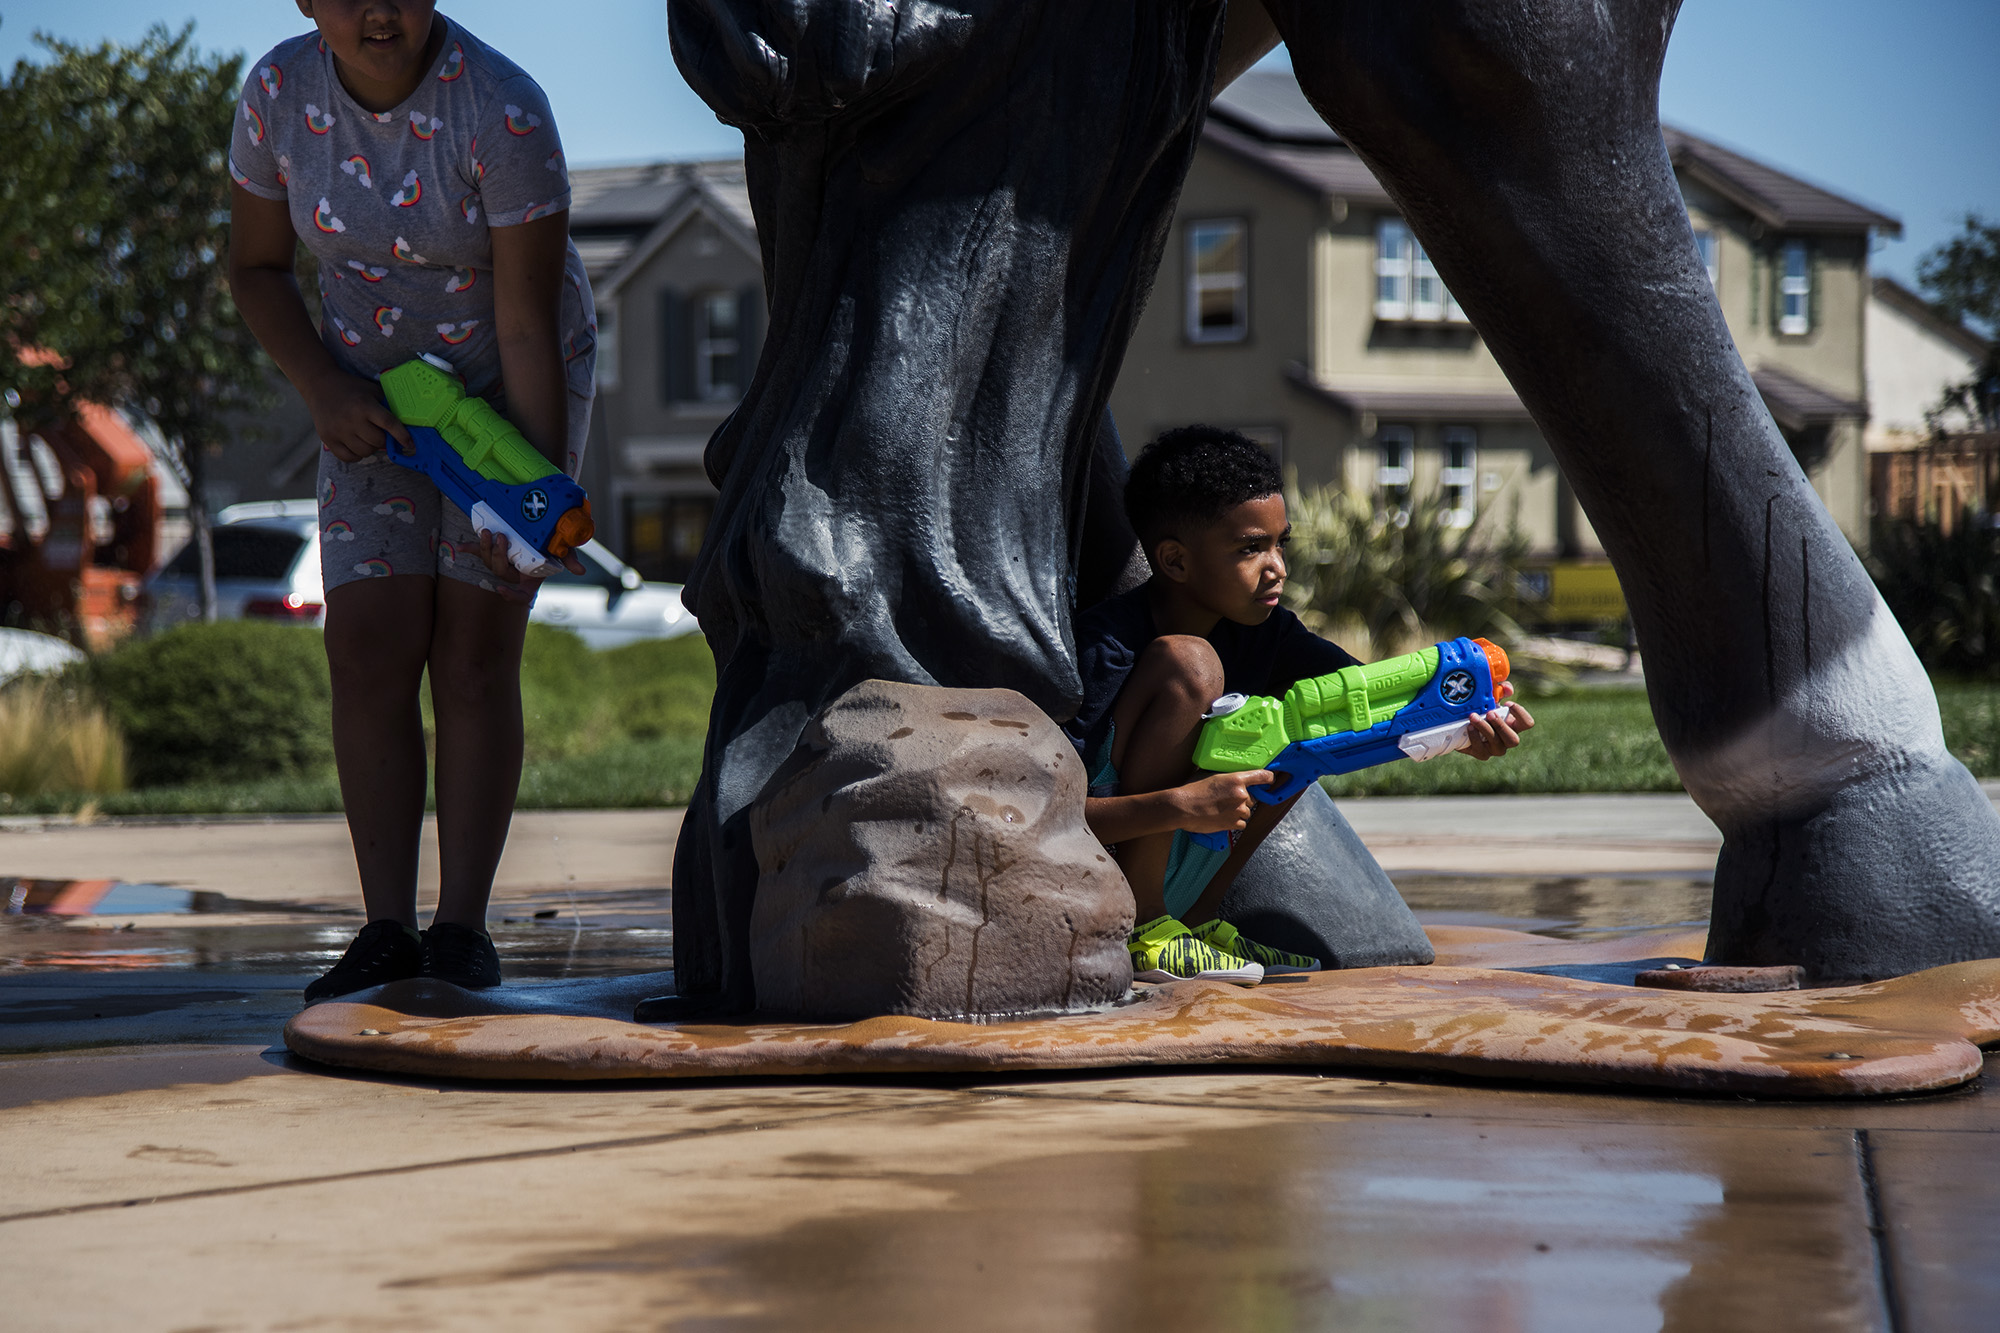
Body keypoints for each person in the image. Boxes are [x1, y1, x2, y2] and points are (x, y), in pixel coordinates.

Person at [226, 1, 596, 1001]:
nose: (377, 9)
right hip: (367, 391)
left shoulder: (503, 109)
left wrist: (529, 493)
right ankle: (385, 925)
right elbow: (256, 268)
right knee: (370, 642)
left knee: (473, 656)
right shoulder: (275, 95)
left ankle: (461, 927)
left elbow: (524, 320)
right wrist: (323, 389)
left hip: (502, 384)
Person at [1069, 426, 1534, 985]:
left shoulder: (1270, 633)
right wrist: (1178, 805)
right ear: (1175, 561)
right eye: (1250, 548)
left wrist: (1466, 724)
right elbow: (1042, 817)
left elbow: (1376, 698)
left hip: (1179, 849)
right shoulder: (1104, 649)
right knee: (1192, 665)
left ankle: (1194, 924)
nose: (1277, 567)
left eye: (1279, 543)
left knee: (1300, 735)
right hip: (1089, 870)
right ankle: (1150, 932)